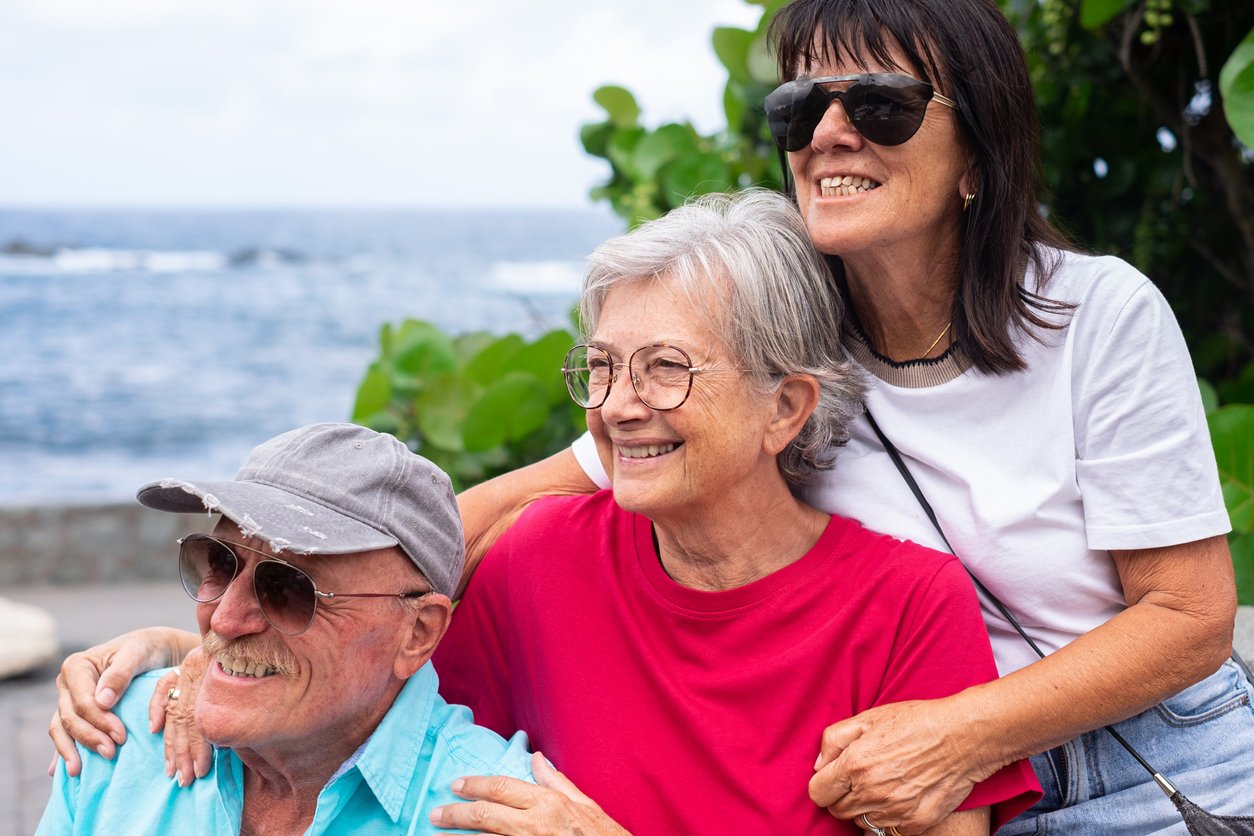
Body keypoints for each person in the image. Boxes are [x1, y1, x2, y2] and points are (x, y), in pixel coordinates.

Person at [453, 0, 1254, 832]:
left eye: (881, 105)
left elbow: (1188, 617)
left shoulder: (1094, 313)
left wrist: (956, 733)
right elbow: (518, 502)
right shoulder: (770, 348)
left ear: (977, 150)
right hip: (929, 785)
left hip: (1144, 762)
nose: (829, 133)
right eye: (800, 108)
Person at [49, 191, 1041, 834]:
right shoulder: (542, 558)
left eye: (665, 369)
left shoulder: (907, 603)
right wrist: (199, 651)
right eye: (601, 368)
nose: (614, 404)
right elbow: (364, 668)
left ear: (785, 406)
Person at [38, 423, 534, 834]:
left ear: (418, 633)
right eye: (219, 561)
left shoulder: (499, 818)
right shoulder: (115, 735)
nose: (226, 619)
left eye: (291, 588)